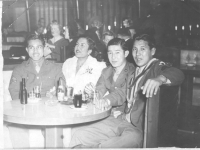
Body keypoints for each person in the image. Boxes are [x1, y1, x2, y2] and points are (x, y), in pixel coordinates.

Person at [69, 34, 184, 148]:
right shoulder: (136, 71)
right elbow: (121, 92)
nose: (138, 53)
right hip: (121, 119)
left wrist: (160, 79)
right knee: (79, 135)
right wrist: (95, 95)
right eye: (135, 49)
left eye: (142, 49)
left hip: (138, 128)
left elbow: (178, 73)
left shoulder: (154, 67)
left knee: (109, 145)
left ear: (152, 51)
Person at [7, 34, 65, 148]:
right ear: (27, 50)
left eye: (39, 47)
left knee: (54, 128)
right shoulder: (19, 69)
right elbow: (14, 91)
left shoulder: (55, 68)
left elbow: (63, 87)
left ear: (44, 49)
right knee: (15, 127)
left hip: (50, 111)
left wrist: (55, 94)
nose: (35, 51)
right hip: (26, 111)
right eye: (31, 47)